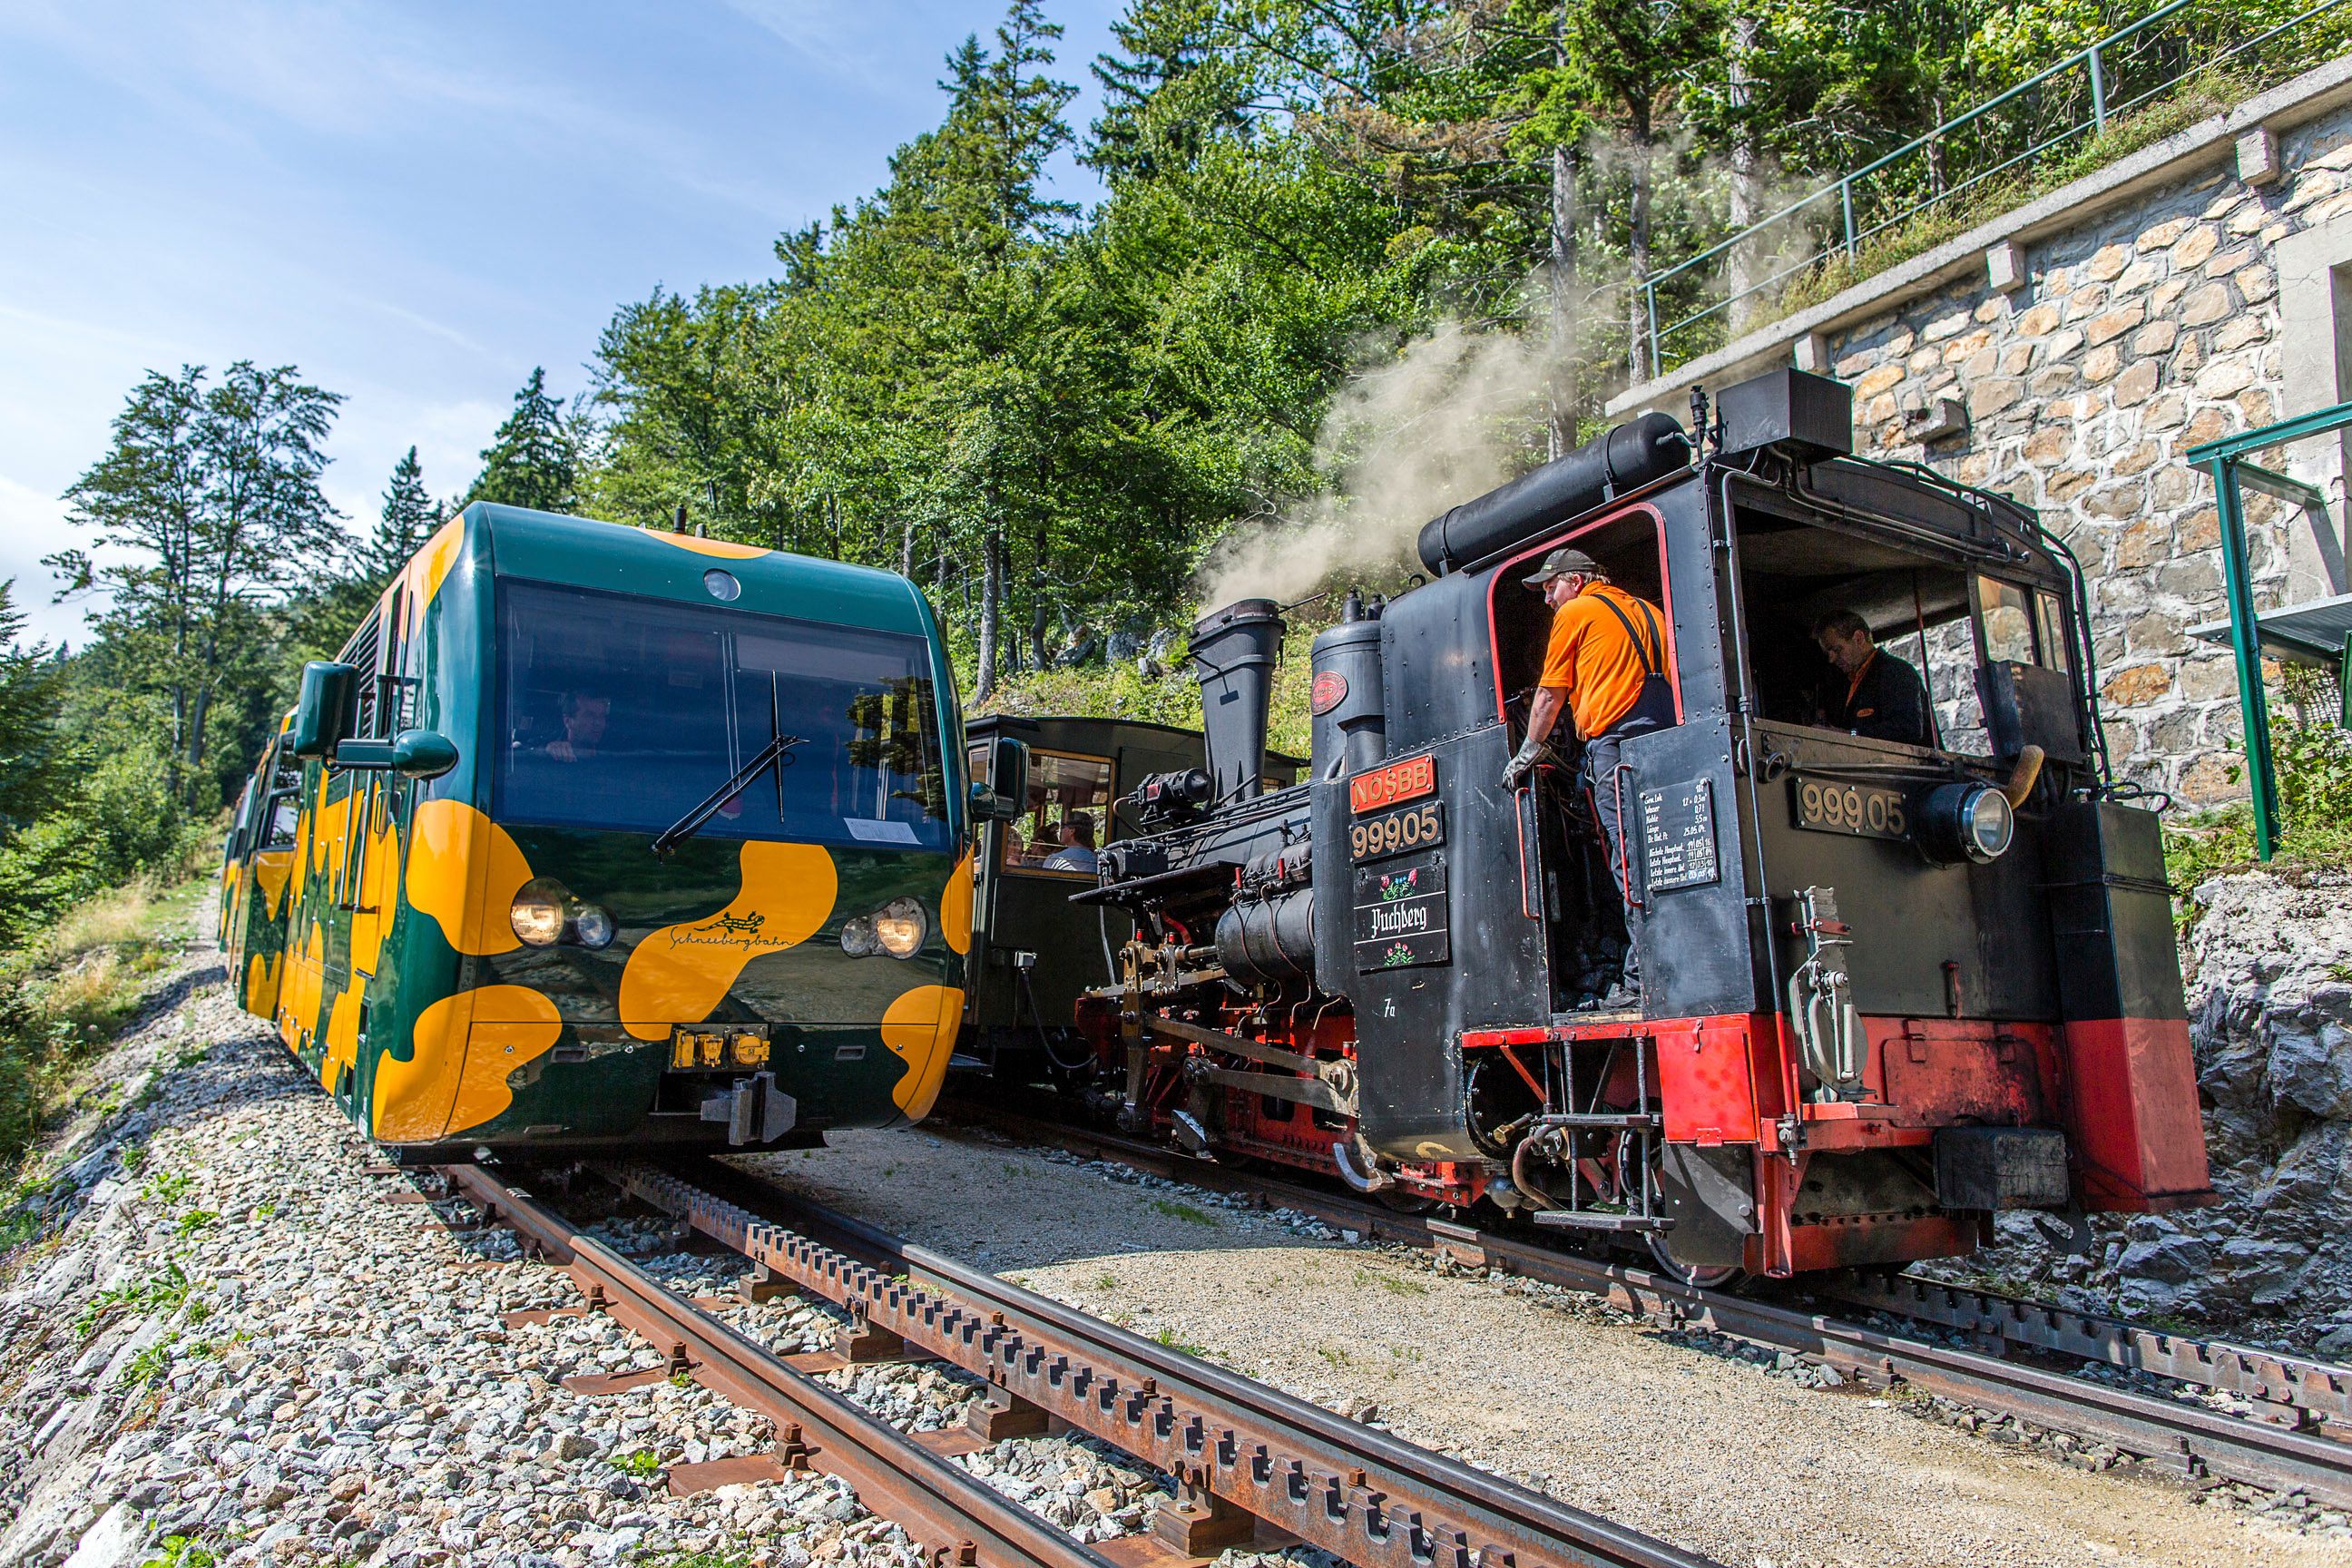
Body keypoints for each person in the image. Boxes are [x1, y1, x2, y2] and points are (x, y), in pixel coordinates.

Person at [1500, 548, 1675, 1006]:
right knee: (1660, 855)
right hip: (1664, 743)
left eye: (1550, 587)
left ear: (1576, 581)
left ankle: (1641, 980)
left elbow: (1549, 692)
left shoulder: (1575, 612)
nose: (1547, 599)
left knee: (1628, 860)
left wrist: (1528, 751)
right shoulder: (1649, 611)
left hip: (1615, 744)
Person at [1812, 609, 1931, 747]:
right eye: (1828, 653)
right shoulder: (1848, 683)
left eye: (1837, 650)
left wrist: (1850, 734)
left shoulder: (1896, 671)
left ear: (1859, 638)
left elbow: (1908, 729)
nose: (1831, 659)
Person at [543, 692, 611, 763]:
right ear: (567, 721)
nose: (598, 723)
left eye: (602, 716)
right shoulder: (551, 749)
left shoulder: (612, 751)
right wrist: (548, 752)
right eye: (589, 716)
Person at [1042, 809, 1098, 873]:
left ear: (1071, 831)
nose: (1060, 830)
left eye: (1063, 826)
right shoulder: (1097, 862)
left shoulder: (1053, 860)